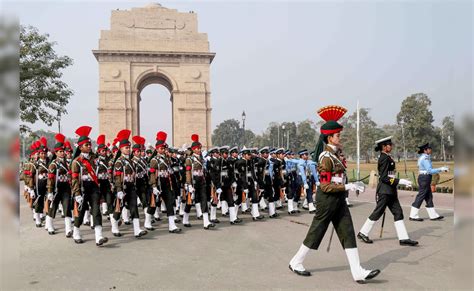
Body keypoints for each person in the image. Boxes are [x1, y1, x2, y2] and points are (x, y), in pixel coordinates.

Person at [289, 105, 380, 283]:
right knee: (317, 231)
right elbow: (325, 185)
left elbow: (338, 179)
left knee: (348, 231)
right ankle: (296, 261)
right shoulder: (325, 157)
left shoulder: (336, 155)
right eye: (338, 135)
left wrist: (348, 186)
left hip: (338, 199)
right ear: (330, 137)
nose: (340, 137)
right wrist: (347, 187)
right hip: (328, 199)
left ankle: (357, 271)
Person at [357, 136, 419, 246]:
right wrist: (400, 181)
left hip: (391, 191)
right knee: (378, 212)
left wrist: (397, 182)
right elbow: (384, 177)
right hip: (385, 191)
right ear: (384, 147)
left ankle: (403, 238)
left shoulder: (387, 157)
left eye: (391, 144)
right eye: (389, 145)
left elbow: (390, 175)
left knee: (398, 212)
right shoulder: (384, 158)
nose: (391, 146)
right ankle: (363, 232)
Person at [70, 126, 108, 246]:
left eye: (90, 144)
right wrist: (76, 194)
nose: (89, 146)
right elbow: (74, 179)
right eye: (86, 145)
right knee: (80, 213)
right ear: (80, 147)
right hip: (82, 188)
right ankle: (76, 231)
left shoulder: (95, 159)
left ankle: (99, 236)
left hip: (94, 187)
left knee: (96, 211)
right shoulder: (76, 162)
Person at [409, 143, 449, 221]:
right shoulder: (425, 158)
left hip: (425, 177)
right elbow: (430, 170)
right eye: (429, 149)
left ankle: (433, 215)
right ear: (425, 150)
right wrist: (441, 169)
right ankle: (413, 215)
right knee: (421, 196)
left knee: (429, 196)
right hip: (424, 178)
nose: (430, 150)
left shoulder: (424, 157)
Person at [45, 133, 73, 237]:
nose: (63, 153)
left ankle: (68, 229)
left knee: (67, 207)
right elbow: (50, 179)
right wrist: (50, 192)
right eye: (60, 151)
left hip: (65, 188)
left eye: (63, 151)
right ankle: (49, 225)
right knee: (53, 207)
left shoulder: (67, 163)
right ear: (56, 153)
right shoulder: (53, 164)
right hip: (56, 188)